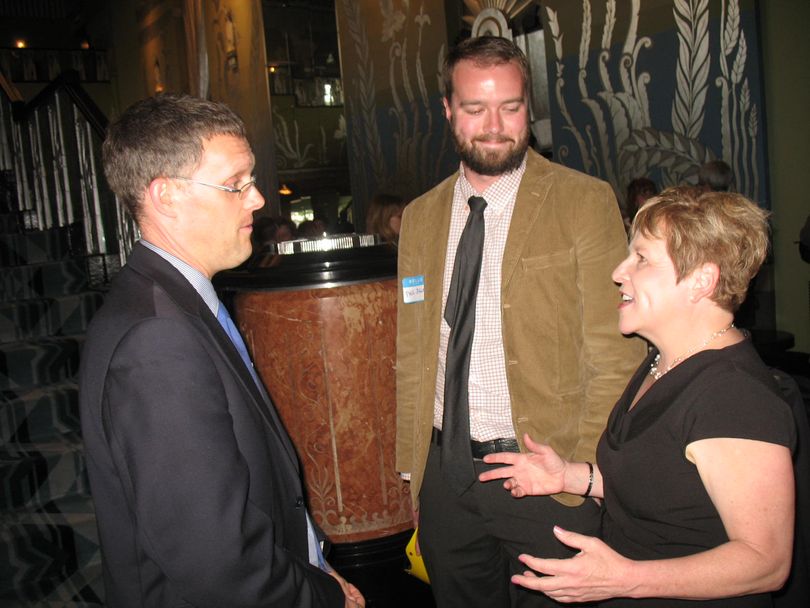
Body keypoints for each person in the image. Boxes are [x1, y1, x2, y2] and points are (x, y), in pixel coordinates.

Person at [79, 94, 364, 608]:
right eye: (236, 184)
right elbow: (219, 563)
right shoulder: (157, 339)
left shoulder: (174, 301)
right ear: (166, 196)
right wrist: (323, 595)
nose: (257, 199)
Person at [395, 36, 645, 608]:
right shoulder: (420, 217)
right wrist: (415, 472)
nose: (494, 125)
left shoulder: (582, 201)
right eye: (475, 108)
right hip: (446, 478)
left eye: (510, 107)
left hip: (545, 474)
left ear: (528, 107)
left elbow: (614, 354)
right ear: (448, 110)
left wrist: (581, 472)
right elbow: (413, 353)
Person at [480, 187, 796, 607]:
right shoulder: (663, 364)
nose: (618, 271)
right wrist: (570, 476)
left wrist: (625, 579)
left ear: (702, 279)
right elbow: (666, 488)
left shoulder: (734, 396)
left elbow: (765, 562)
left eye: (642, 259)